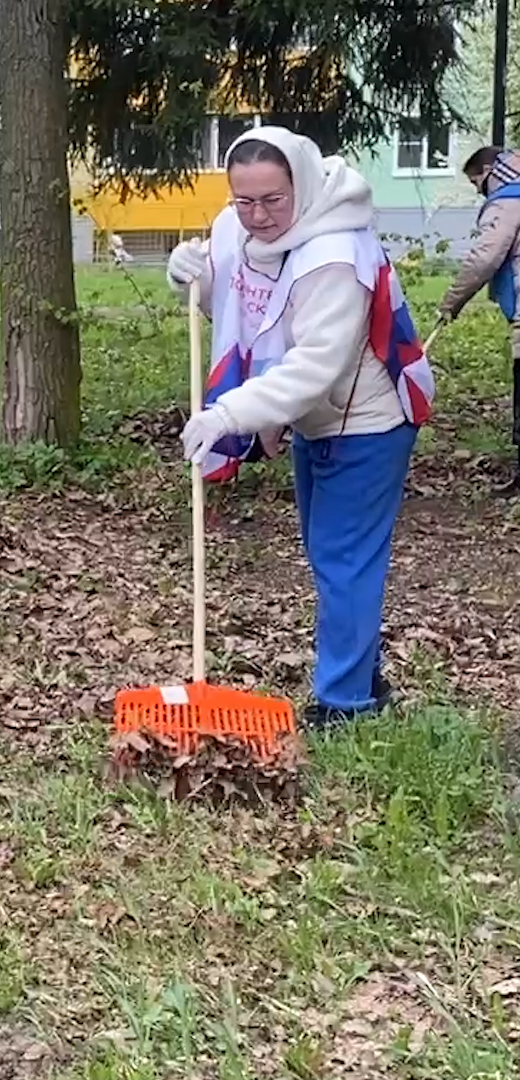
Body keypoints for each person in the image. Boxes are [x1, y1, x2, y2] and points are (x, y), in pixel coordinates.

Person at [165, 126, 435, 729]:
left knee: (344, 558)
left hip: (366, 421)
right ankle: (361, 674)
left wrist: (229, 413)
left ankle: (345, 704)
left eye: (272, 200)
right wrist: (193, 274)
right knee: (329, 555)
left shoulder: (334, 254)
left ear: (303, 187)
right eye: (244, 200)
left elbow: (315, 366)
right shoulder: (242, 230)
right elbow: (238, 302)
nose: (257, 215)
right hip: (315, 421)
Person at [436, 145, 520, 494]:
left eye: (477, 182)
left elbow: (485, 258)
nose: (478, 191)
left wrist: (451, 302)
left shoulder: (507, 202)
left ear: (491, 171)